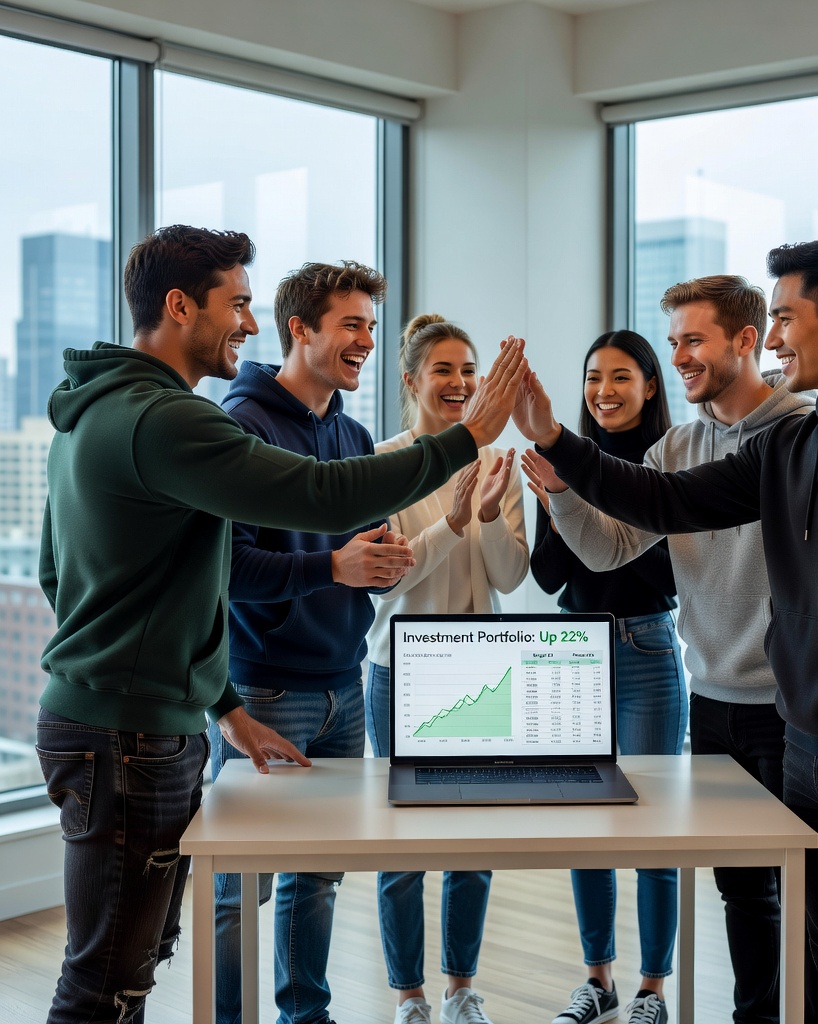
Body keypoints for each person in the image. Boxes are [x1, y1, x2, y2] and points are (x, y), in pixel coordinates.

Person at [34, 225, 526, 1024]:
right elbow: (320, 500)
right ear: (178, 306)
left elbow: (69, 578)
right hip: (127, 735)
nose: (251, 325)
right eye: (237, 305)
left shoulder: (96, 413)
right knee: (105, 979)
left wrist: (220, 703)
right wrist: (469, 437)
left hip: (131, 721)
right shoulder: (170, 420)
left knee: (130, 964)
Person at [514, 235, 818, 1024]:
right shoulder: (796, 445)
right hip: (806, 751)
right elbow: (663, 503)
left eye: (784, 317)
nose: (772, 337)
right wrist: (555, 440)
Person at [527, 281, 818, 1024]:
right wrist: (563, 492)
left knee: (816, 899)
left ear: (747, 340)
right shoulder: (679, 446)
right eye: (675, 340)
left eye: (694, 340)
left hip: (792, 709)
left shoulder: (804, 433)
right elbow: (607, 549)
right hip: (714, 704)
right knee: (744, 894)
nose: (681, 354)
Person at [210, 261, 413, 1024]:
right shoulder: (242, 427)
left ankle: (306, 1015)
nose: (365, 339)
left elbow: (360, 569)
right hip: (264, 689)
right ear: (300, 328)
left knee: (317, 876)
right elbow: (227, 568)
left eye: (370, 324)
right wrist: (334, 563)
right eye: (350, 324)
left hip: (343, 685)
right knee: (242, 883)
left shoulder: (353, 434)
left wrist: (382, 566)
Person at [364, 313, 530, 1024]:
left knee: (473, 844)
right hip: (399, 672)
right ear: (411, 380)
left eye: (470, 371)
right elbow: (388, 580)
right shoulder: (383, 461)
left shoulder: (498, 462)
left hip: (479, 671)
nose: (460, 383)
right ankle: (409, 997)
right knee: (402, 848)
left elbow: (512, 576)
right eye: (444, 370)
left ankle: (462, 990)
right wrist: (451, 522)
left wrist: (488, 516)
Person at [527, 330, 686, 1024]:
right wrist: (560, 508)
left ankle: (653, 989)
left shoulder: (669, 463)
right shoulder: (563, 463)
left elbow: (663, 573)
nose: (604, 392)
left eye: (622, 377)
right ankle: (599, 980)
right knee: (586, 826)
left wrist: (588, 515)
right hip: (574, 651)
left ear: (650, 386)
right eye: (594, 377)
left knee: (652, 829)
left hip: (648, 650)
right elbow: (551, 574)